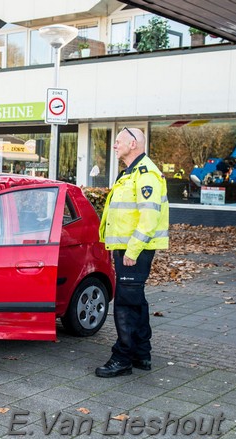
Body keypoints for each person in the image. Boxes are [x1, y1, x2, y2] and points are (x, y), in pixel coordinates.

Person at [95, 127, 169, 378]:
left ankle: (122, 357)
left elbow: (149, 217)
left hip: (133, 250)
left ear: (134, 143)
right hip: (127, 248)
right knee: (136, 300)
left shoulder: (146, 174)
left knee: (125, 304)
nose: (114, 145)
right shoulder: (131, 173)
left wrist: (133, 249)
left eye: (118, 141)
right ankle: (141, 353)